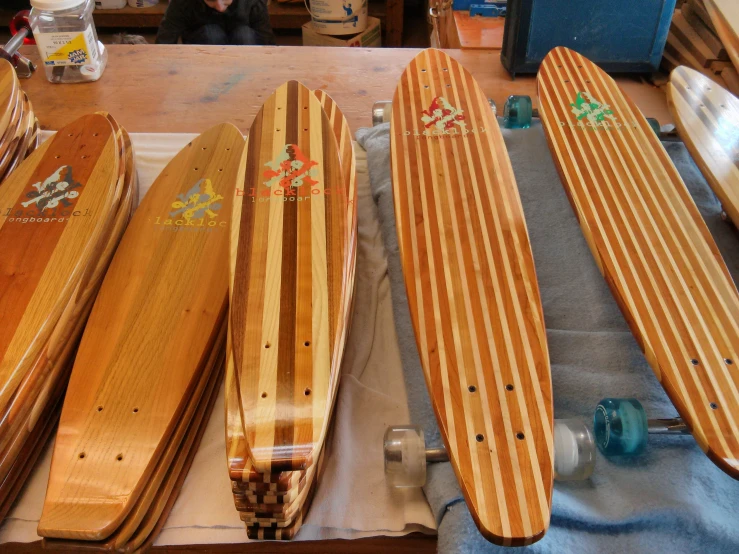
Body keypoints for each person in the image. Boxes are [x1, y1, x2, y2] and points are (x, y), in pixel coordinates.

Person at [156, 0, 276, 46]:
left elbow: (266, 40)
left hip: (245, 49)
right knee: (212, 34)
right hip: (203, 47)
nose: (219, 7)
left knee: (244, 34)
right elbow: (164, 42)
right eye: (212, 0)